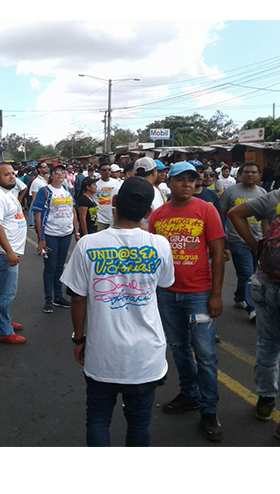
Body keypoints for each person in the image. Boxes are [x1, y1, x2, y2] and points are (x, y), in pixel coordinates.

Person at [61, 176, 175, 447]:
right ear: (148, 212)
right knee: (139, 422)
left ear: (113, 203)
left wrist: (79, 338)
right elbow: (165, 283)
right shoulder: (160, 245)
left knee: (98, 419)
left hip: (104, 352)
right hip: (146, 356)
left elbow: (77, 298)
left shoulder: (88, 244)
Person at [147, 161, 225, 442]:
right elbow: (152, 258)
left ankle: (209, 410)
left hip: (199, 295)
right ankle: (189, 394)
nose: (189, 184)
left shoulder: (207, 210)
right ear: (169, 182)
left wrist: (216, 295)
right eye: (182, 179)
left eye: (193, 180)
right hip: (167, 294)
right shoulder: (158, 215)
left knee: (205, 354)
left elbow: (218, 253)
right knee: (179, 348)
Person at [227, 183, 280, 432]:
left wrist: (256, 247)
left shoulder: (275, 197)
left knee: (268, 344)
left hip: (267, 281)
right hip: (268, 283)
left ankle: (266, 399)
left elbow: (235, 214)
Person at [0, 163, 27, 344]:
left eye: (13, 173)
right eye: (7, 174)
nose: (12, 176)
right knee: (5, 293)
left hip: (9, 252)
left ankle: (3, 320)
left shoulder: (8, 193)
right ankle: (3, 331)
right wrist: (10, 252)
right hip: (2, 253)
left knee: (4, 291)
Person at [218, 162, 266, 321]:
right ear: (240, 175)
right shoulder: (230, 192)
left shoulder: (263, 193)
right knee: (247, 273)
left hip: (258, 240)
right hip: (237, 239)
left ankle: (240, 297)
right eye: (246, 172)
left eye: (254, 172)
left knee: (254, 272)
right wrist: (222, 238)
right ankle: (253, 309)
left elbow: (266, 218)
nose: (250, 175)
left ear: (259, 176)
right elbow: (221, 215)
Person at [32, 164, 80, 314]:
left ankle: (58, 297)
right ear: (51, 175)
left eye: (62, 172)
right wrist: (42, 238)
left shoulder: (66, 190)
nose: (60, 174)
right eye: (57, 172)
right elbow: (38, 216)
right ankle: (48, 299)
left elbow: (73, 211)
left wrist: (76, 231)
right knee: (51, 267)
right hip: (51, 235)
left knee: (60, 266)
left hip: (66, 234)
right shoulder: (44, 191)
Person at [94, 162, 121, 232]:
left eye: (109, 170)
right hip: (100, 220)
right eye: (104, 170)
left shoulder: (116, 183)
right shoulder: (95, 184)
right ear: (100, 172)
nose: (107, 172)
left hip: (113, 220)